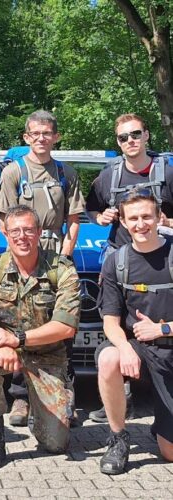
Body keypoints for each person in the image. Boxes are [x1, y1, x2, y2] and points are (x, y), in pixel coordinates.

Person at [0, 205, 81, 469]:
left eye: (28, 230)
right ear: (5, 233)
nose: (22, 237)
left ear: (39, 232)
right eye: (15, 231)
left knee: (56, 444)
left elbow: (65, 327)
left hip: (47, 356)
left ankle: (41, 412)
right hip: (4, 350)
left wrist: (18, 339)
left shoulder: (61, 268)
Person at [0, 110, 85, 426]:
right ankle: (21, 396)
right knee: (22, 321)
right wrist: (20, 254)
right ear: (26, 137)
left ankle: (64, 394)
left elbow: (73, 220)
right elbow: (4, 221)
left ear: (56, 137)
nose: (41, 138)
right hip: (24, 254)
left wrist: (65, 257)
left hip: (55, 254)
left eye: (47, 133)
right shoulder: (13, 173)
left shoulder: (66, 173)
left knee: (62, 325)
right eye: (35, 133)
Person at [86, 113, 173, 422]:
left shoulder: (167, 173)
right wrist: (100, 218)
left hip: (163, 258)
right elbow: (91, 207)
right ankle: (119, 398)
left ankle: (157, 398)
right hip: (122, 261)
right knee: (118, 326)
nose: (130, 141)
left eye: (135, 134)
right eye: (123, 137)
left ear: (147, 135)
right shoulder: (109, 175)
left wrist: (167, 223)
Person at [95, 188, 173, 475]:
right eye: (133, 218)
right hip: (141, 351)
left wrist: (162, 328)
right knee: (109, 358)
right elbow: (110, 321)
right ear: (124, 223)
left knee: (170, 453)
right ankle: (118, 439)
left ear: (159, 217)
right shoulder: (117, 262)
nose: (141, 224)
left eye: (146, 217)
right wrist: (125, 348)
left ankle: (162, 426)